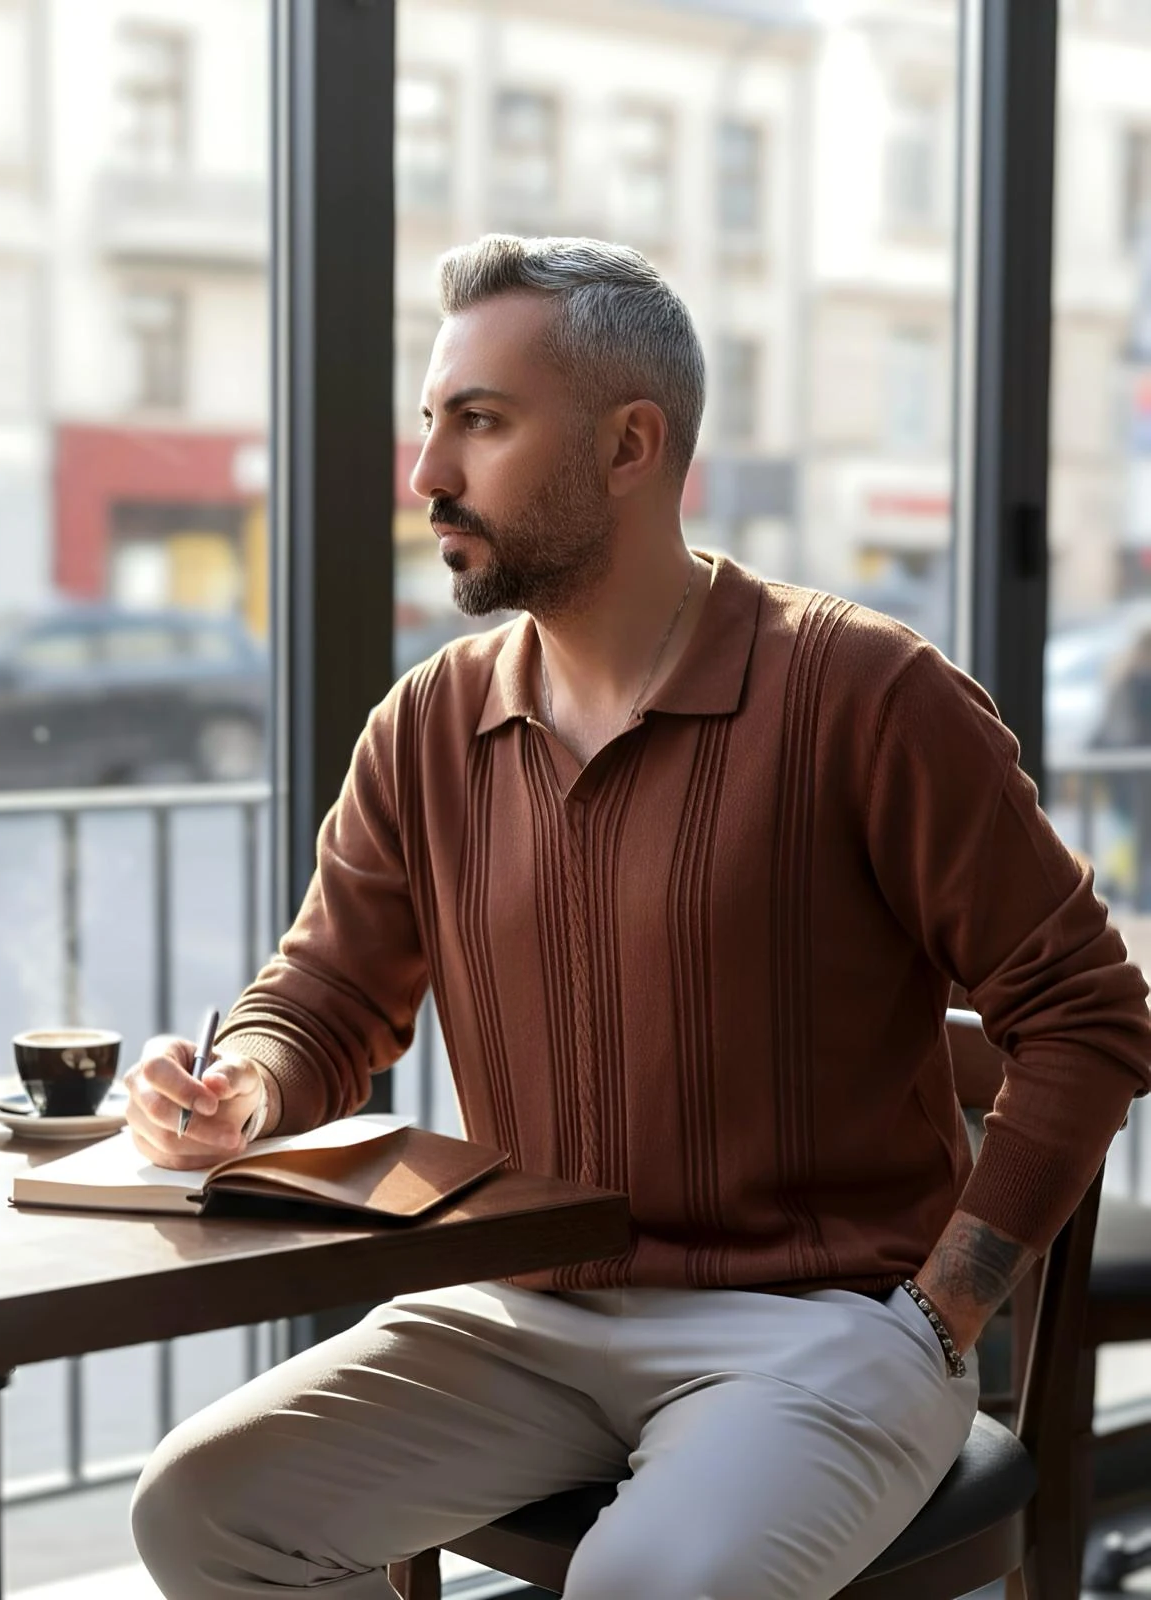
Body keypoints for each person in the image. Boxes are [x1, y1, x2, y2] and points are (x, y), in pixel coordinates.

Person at [125, 235, 1151, 1600]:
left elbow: (1085, 1014)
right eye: (430, 424)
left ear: (629, 444)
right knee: (199, 1510)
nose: (427, 473)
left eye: (478, 423)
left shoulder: (865, 694)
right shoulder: (428, 720)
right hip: (515, 1311)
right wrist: (238, 1091)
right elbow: (321, 993)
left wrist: (945, 1308)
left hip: (820, 1328)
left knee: (647, 1588)